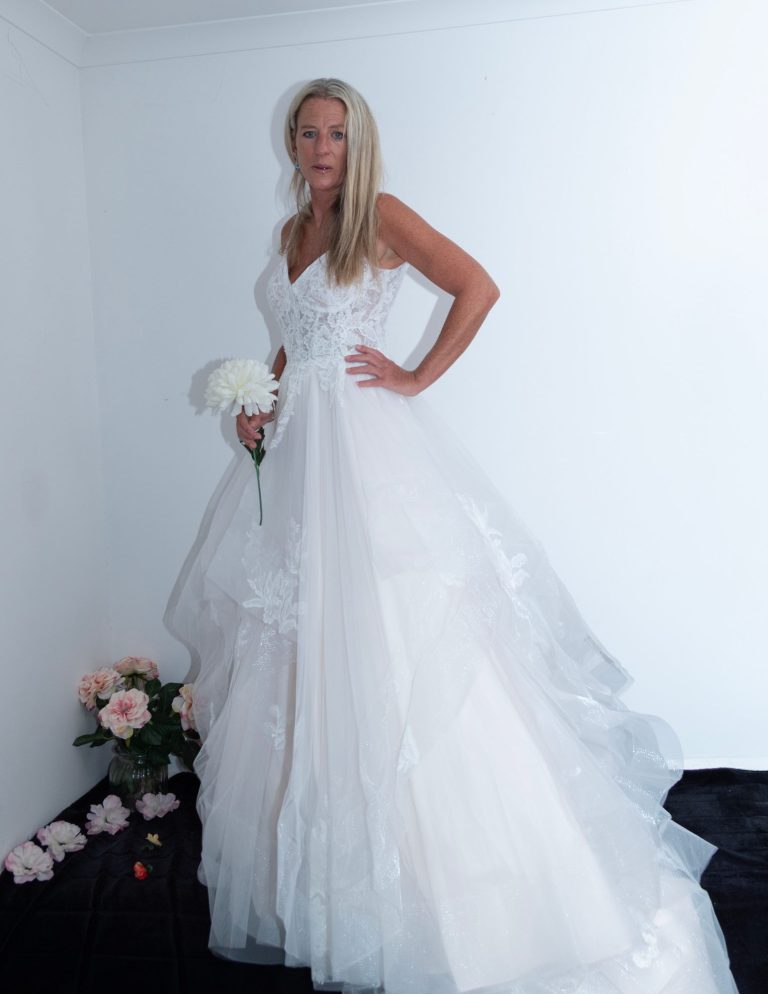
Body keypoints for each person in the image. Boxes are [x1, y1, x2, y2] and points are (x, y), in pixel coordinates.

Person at [164, 78, 740, 994]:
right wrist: (260, 406)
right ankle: (326, 893)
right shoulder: (289, 236)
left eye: (338, 134)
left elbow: (478, 285)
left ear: (359, 145)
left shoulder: (379, 214)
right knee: (306, 650)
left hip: (365, 453)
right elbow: (294, 337)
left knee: (399, 639)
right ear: (291, 143)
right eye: (309, 133)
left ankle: (478, 900)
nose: (322, 148)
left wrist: (417, 375)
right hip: (302, 455)